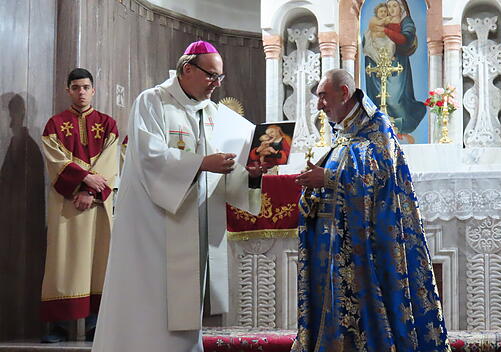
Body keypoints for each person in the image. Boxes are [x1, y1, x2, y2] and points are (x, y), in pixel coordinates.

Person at [92, 41, 263, 352]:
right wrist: (201, 163)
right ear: (187, 69)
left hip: (192, 224)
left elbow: (229, 166)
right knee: (149, 303)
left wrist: (251, 172)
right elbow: (150, 158)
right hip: (152, 228)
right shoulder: (153, 102)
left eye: (220, 78)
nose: (216, 84)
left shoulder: (213, 113)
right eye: (212, 76)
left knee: (184, 306)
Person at [292, 69, 449, 351]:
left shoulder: (377, 128)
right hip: (339, 244)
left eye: (323, 96)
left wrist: (326, 178)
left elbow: (378, 176)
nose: (319, 105)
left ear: (344, 93)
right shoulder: (345, 133)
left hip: (369, 247)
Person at [40, 68, 119, 343]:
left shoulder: (108, 124)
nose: (81, 92)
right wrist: (85, 178)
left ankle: (96, 325)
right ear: (68, 90)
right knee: (63, 261)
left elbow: (111, 162)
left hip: (95, 205)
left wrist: (88, 190)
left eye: (86, 87)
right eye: (76, 87)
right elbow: (55, 161)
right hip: (67, 206)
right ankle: (59, 326)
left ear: (94, 90)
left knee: (99, 261)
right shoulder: (54, 124)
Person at [364, 0, 426, 139]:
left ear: (401, 7)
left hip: (398, 65)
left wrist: (386, 31)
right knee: (380, 96)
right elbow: (369, 36)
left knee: (396, 99)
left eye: (395, 6)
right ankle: (380, 128)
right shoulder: (382, 20)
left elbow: (406, 39)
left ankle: (399, 128)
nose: (391, 9)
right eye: (389, 6)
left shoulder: (406, 22)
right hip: (379, 63)